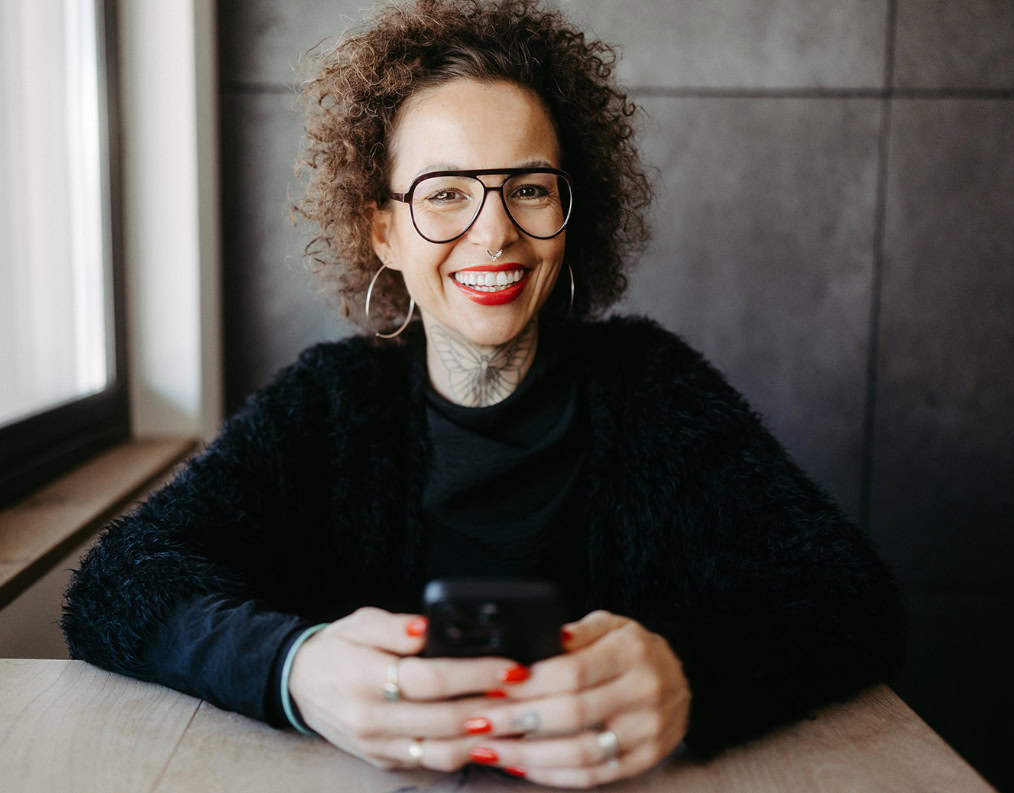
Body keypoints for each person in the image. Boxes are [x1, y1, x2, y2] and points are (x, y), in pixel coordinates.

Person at [61, 0, 905, 787]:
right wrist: (294, 665)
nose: (494, 231)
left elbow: (849, 593)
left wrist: (690, 673)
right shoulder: (326, 403)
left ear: (568, 212)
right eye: (446, 194)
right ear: (383, 230)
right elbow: (117, 583)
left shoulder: (654, 387)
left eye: (528, 188)